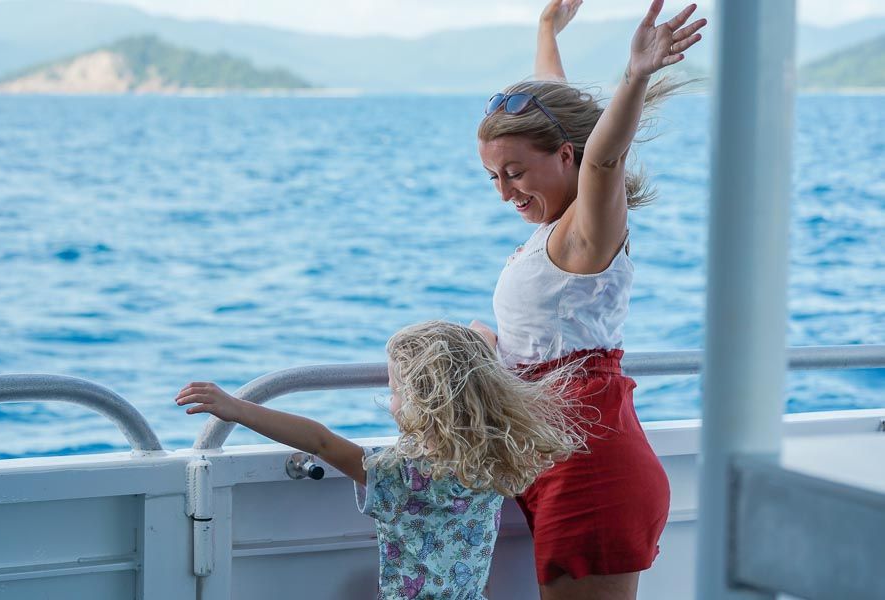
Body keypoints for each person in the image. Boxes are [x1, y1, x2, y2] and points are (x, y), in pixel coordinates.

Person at [470, 1, 707, 598]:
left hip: (590, 470)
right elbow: (561, 116)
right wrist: (547, 29)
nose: (505, 193)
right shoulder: (556, 230)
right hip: (550, 456)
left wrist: (637, 74)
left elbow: (603, 155)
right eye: (494, 177)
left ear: (565, 157)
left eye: (515, 173)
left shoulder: (587, 236)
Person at [176, 320, 587, 600]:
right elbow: (479, 350)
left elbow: (320, 440)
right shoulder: (491, 457)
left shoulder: (400, 474)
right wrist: (477, 339)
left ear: (422, 402)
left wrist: (237, 407)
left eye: (394, 390)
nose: (390, 400)